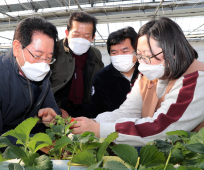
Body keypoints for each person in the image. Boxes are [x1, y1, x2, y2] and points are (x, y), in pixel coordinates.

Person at [70, 17, 204, 147]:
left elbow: (161, 128)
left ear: (172, 53)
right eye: (139, 55)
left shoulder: (196, 80)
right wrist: (92, 123)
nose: (142, 63)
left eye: (147, 56)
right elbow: (127, 111)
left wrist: (101, 130)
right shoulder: (149, 75)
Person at [0, 16, 61, 145]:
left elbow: (52, 107)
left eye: (49, 58)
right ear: (17, 47)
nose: (43, 64)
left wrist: (52, 116)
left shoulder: (43, 74)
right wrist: (35, 142)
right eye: (37, 55)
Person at [50, 12, 104, 118]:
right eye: (76, 35)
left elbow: (99, 82)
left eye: (86, 36)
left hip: (86, 109)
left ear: (93, 38)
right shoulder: (53, 51)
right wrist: (52, 107)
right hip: (57, 110)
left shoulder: (95, 54)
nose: (81, 40)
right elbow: (40, 86)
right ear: (67, 33)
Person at [84, 27, 139, 118]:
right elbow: (95, 111)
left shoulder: (146, 74)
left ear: (136, 51)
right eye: (114, 53)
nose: (119, 56)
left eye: (124, 51)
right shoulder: (101, 78)